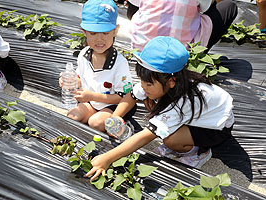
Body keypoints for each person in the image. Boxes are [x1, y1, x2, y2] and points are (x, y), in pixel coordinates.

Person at [85, 36, 235, 180]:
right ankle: (178, 131)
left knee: (171, 140)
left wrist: (107, 158)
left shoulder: (183, 101)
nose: (143, 86)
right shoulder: (162, 79)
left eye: (148, 84)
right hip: (195, 115)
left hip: (216, 127)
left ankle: (196, 153)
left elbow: (147, 135)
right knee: (149, 102)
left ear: (171, 81)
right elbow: (131, 95)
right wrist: (115, 116)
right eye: (142, 81)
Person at [59, 0, 134, 132]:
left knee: (96, 123)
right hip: (91, 103)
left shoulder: (119, 63)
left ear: (115, 31)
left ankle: (123, 124)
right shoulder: (83, 55)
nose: (99, 39)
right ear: (84, 32)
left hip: (112, 105)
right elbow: (81, 79)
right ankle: (95, 115)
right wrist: (69, 81)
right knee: (72, 115)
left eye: (105, 33)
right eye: (93, 33)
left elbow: (123, 97)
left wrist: (92, 96)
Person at [126, 0, 238, 52]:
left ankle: (146, 31)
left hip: (142, 48)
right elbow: (205, 8)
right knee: (229, 6)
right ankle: (198, 52)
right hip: (181, 53)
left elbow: (133, 4)